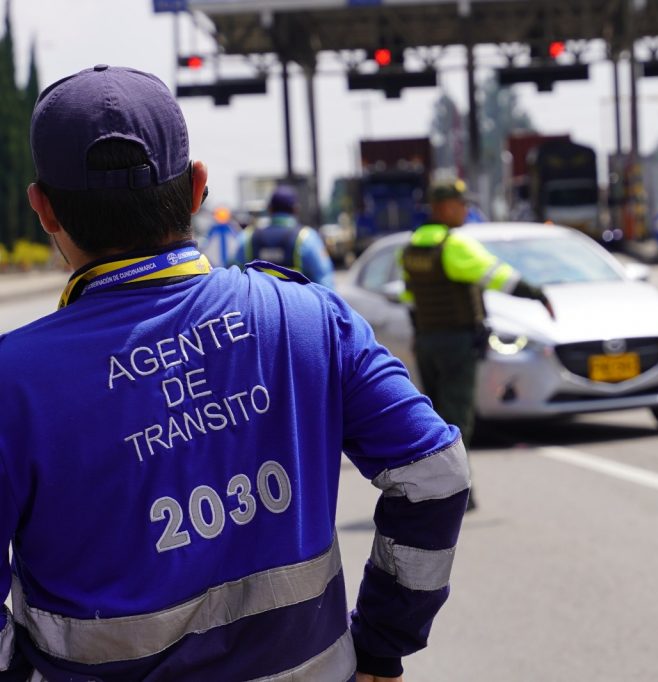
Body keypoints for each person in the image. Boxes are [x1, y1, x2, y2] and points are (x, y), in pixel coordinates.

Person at [0, 65, 469, 682]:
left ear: (43, 209)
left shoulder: (15, 380)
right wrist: (382, 642)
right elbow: (436, 475)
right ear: (197, 188)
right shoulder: (309, 317)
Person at [400, 180, 553, 511]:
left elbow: (410, 299)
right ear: (443, 208)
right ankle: (458, 493)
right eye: (460, 204)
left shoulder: (412, 247)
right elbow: (499, 277)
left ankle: (436, 489)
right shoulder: (454, 245)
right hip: (456, 343)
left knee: (436, 419)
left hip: (427, 341)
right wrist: (537, 294)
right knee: (458, 420)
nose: (465, 210)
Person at [232, 185, 336, 290]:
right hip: (297, 300)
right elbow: (324, 280)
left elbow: (235, 280)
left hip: (258, 300)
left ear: (270, 209)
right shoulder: (307, 238)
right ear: (296, 209)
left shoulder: (247, 237)